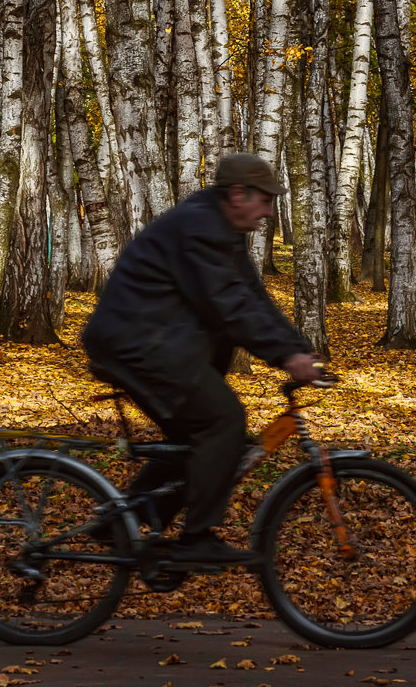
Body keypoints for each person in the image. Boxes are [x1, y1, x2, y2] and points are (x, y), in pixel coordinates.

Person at [82, 152, 323, 565]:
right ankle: (197, 539)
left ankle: (120, 522)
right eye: (264, 200)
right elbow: (226, 304)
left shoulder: (219, 229)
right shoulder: (200, 228)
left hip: (153, 343)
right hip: (136, 345)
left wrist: (295, 347)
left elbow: (252, 296)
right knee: (223, 421)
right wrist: (285, 355)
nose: (268, 212)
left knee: (197, 443)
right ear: (236, 194)